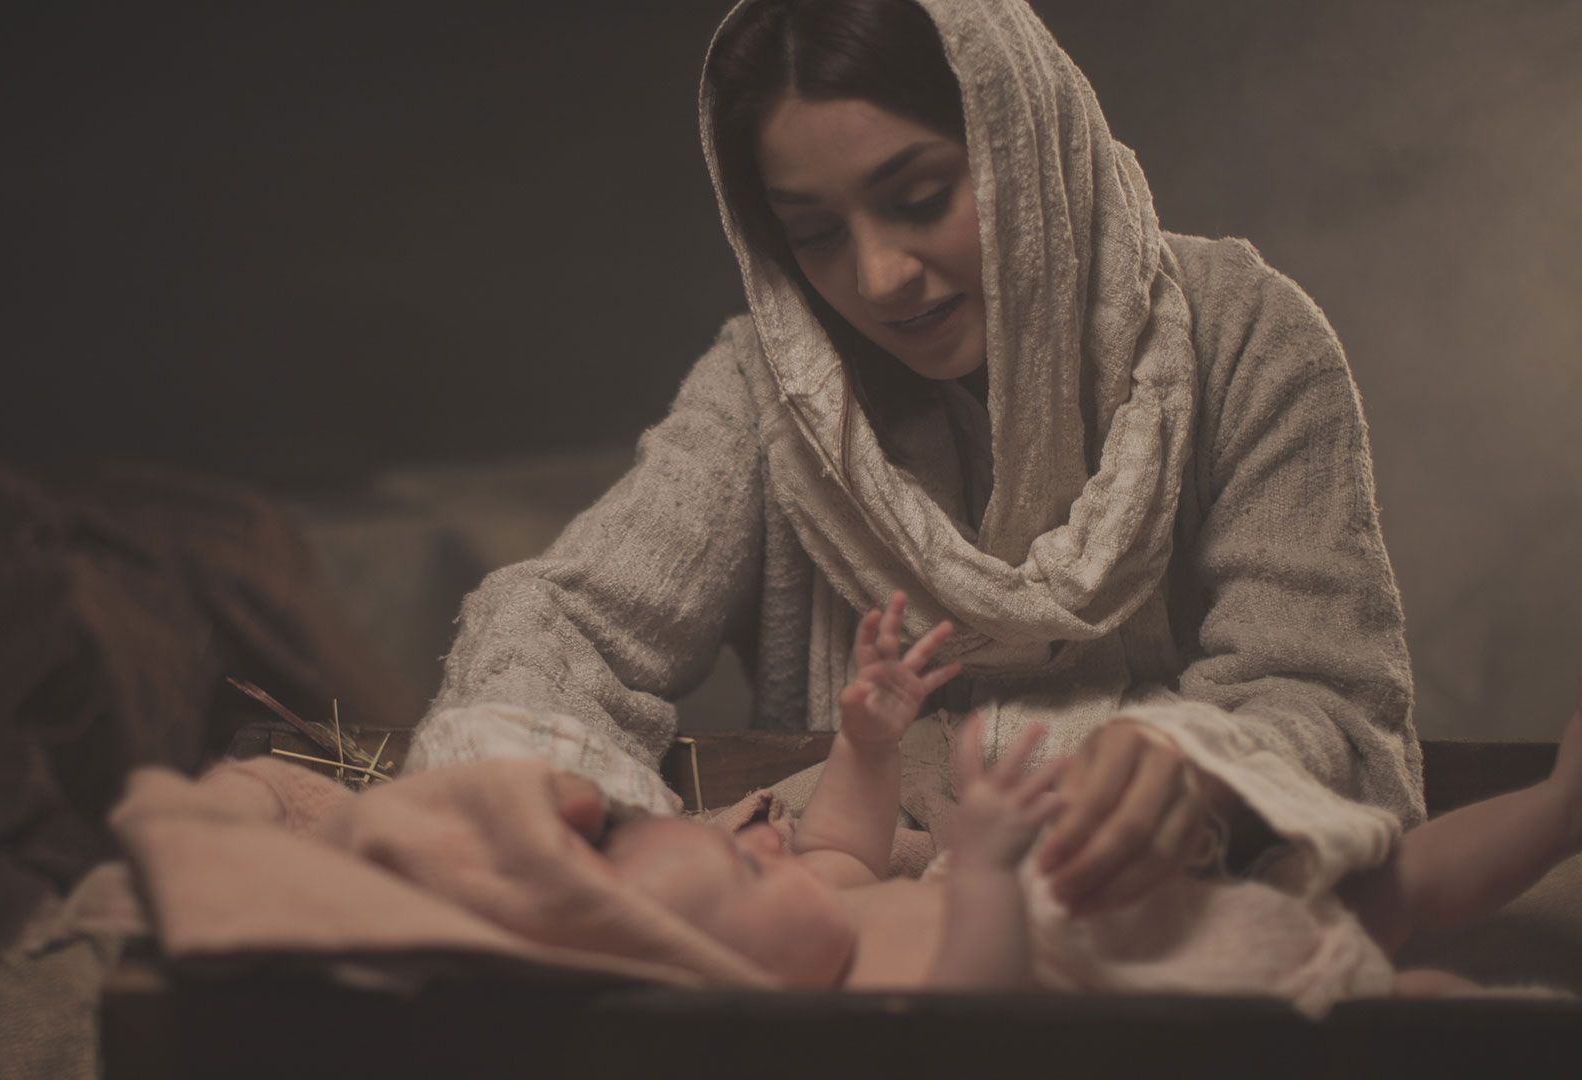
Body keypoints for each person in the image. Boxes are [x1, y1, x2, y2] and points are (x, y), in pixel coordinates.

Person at [408, 0, 1424, 917]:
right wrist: (542, 794)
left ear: (1024, 148)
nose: (883, 279)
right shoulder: (779, 389)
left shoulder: (1243, 338)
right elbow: (573, 621)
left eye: (920, 196)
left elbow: (1325, 701)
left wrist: (1200, 773)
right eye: (815, 234)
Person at [597, 595, 1582, 1004]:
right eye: (738, 869)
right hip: (1203, 987)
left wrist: (869, 740)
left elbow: (846, 835)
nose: (766, 838)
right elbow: (978, 1012)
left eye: (738, 834)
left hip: (1160, 901)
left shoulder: (826, 896)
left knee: (1393, 880)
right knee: (1411, 1005)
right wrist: (980, 868)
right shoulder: (858, 1010)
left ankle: (1563, 800)